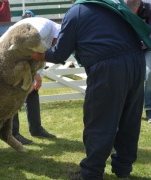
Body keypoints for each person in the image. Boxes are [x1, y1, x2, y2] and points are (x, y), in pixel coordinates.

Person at [31, 0, 145, 179]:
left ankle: (91, 173)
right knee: (129, 120)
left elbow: (60, 53)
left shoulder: (76, 12)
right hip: (136, 62)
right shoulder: (110, 4)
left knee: (99, 122)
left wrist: (36, 55)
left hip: (108, 68)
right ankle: (123, 171)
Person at [11, 12, 57, 145]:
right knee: (15, 94)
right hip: (14, 62)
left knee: (33, 90)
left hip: (27, 62)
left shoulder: (45, 32)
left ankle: (36, 128)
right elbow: (27, 51)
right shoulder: (36, 31)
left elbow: (40, 54)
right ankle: (13, 133)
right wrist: (35, 74)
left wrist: (36, 74)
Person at [124, 0, 151, 123]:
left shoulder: (150, 9)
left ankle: (149, 109)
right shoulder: (122, 9)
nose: (131, 14)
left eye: (132, 11)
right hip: (129, 50)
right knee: (129, 77)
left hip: (148, 48)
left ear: (139, 4)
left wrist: (143, 43)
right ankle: (129, 110)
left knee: (149, 73)